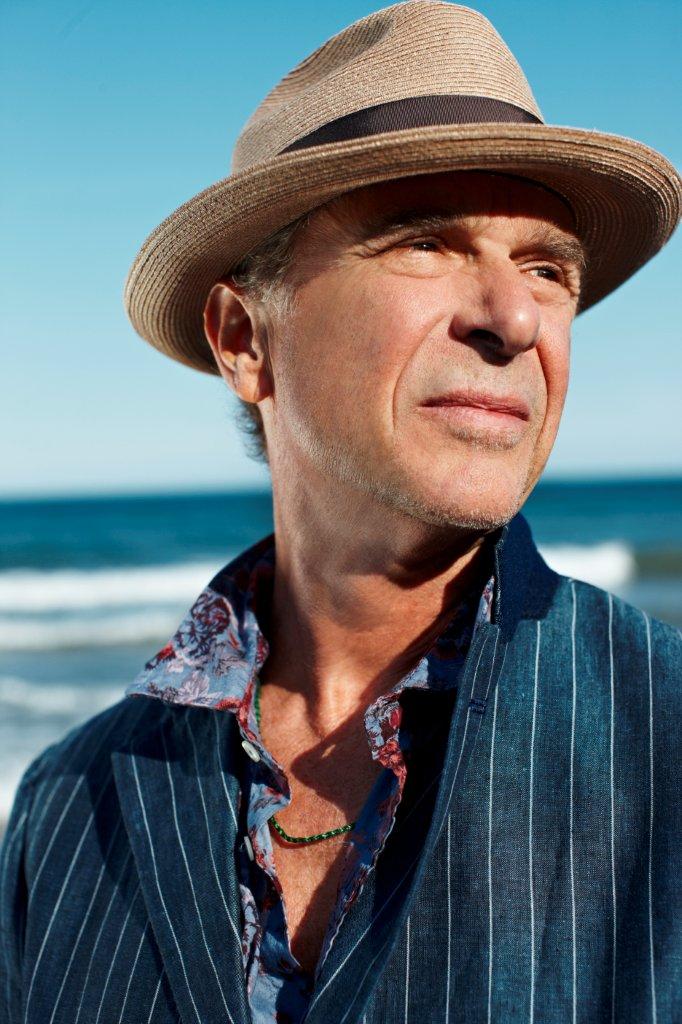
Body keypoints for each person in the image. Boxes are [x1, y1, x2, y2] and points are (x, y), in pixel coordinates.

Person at [1, 3, 680, 1022]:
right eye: (426, 242)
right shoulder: (68, 806)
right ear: (244, 337)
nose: (514, 317)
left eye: (547, 268)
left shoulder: (663, 739)